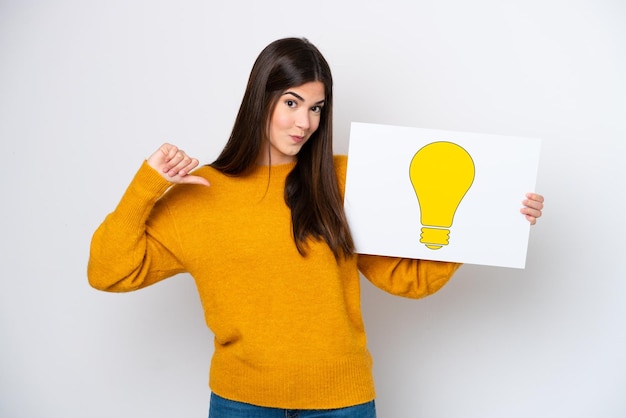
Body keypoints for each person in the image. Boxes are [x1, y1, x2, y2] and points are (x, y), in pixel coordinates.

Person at [88, 37, 544, 417]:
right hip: (241, 403)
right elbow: (108, 271)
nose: (305, 122)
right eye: (291, 102)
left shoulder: (344, 179)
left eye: (316, 107)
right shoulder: (200, 193)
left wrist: (486, 221)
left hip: (342, 403)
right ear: (259, 99)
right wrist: (147, 185)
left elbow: (411, 279)